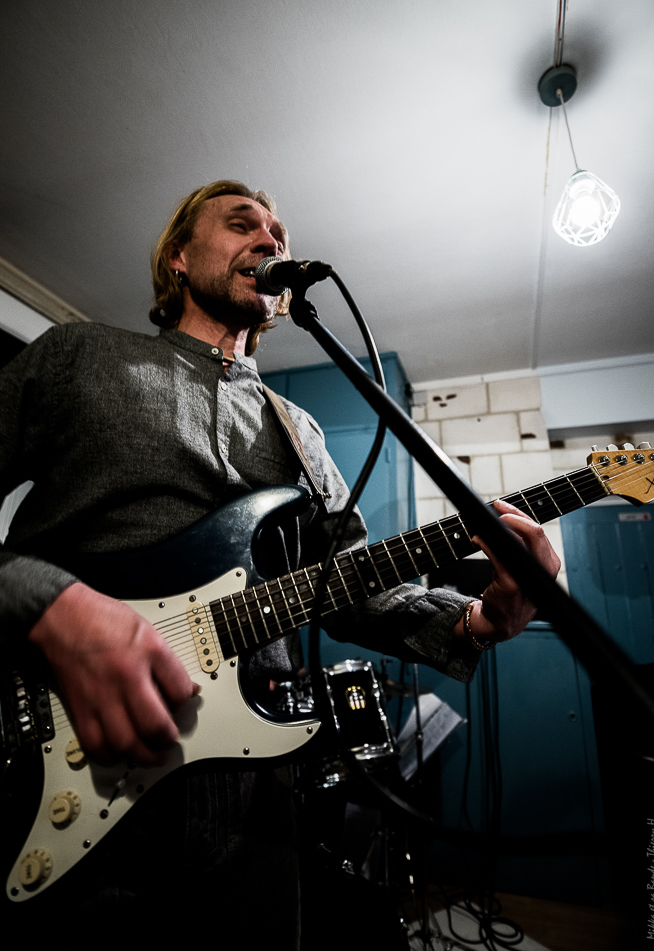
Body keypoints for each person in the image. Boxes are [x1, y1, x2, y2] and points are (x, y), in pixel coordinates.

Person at [0, 179, 559, 942]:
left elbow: (353, 586)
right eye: (243, 225)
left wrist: (478, 621)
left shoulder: (298, 430)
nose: (270, 241)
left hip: (251, 795)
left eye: (279, 234)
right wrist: (49, 605)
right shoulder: (82, 356)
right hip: (58, 754)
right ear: (177, 257)